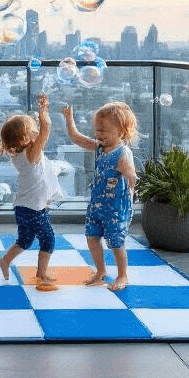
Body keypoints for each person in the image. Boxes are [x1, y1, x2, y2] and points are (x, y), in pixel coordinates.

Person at [61, 100, 138, 291]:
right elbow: (77, 138)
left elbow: (132, 177)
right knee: (92, 237)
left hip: (116, 207)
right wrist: (69, 119)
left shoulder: (123, 153)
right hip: (97, 204)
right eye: (97, 130)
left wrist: (129, 196)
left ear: (121, 131)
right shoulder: (99, 147)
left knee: (116, 242)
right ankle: (100, 271)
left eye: (103, 130)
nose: (98, 134)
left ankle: (122, 275)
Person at [0, 93, 63, 286]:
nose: (36, 130)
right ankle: (41, 274)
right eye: (32, 128)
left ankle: (5, 260)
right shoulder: (31, 153)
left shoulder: (18, 155)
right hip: (34, 208)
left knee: (25, 241)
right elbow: (46, 130)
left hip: (23, 207)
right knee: (48, 239)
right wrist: (43, 111)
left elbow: (39, 135)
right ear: (25, 137)